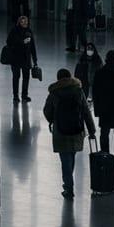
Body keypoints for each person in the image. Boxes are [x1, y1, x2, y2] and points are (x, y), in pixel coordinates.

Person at [43, 68, 96, 198]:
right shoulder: (78, 91)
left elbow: (46, 111)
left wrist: (52, 120)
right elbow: (85, 111)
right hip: (76, 130)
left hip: (61, 132)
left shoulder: (54, 93)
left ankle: (68, 187)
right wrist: (92, 130)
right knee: (71, 157)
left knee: (65, 159)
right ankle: (68, 183)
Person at [5, 15, 39, 103]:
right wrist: (22, 42)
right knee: (16, 77)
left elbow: (32, 47)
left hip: (26, 59)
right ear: (19, 22)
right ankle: (15, 96)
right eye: (23, 22)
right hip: (15, 58)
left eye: (26, 22)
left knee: (26, 77)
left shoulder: (29, 32)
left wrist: (35, 60)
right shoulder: (14, 31)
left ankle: (24, 95)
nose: (25, 24)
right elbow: (9, 42)